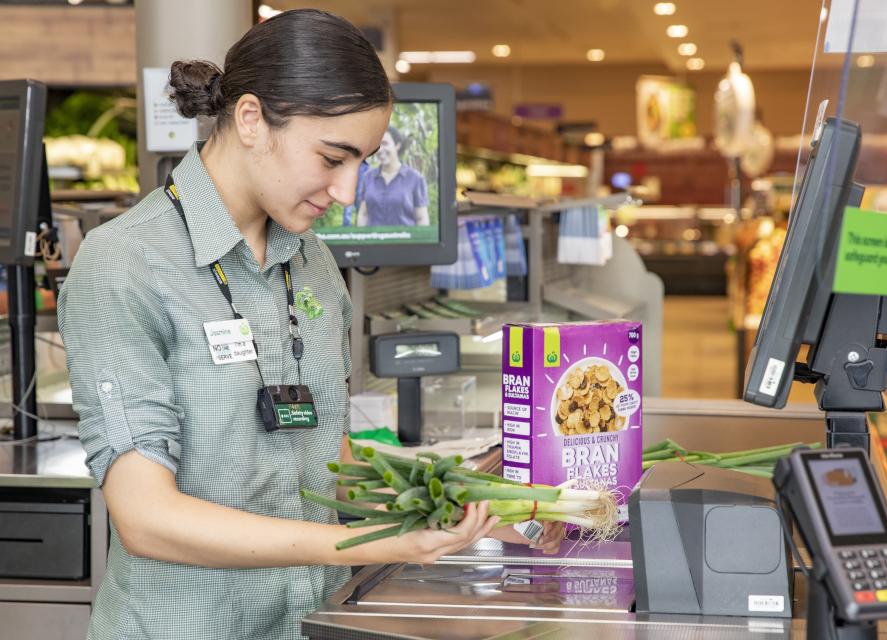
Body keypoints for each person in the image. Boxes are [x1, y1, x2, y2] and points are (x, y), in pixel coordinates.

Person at [57, 10, 562, 640]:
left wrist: (455, 508)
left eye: (363, 162)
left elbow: (332, 472)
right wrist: (376, 546)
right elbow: (145, 518)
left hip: (313, 624)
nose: (348, 192)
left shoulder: (314, 262)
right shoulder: (127, 262)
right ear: (249, 119)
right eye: (332, 157)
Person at [356, 125, 431, 227]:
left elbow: (421, 218)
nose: (380, 149)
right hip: (373, 242)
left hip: (405, 242)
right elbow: (363, 214)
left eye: (385, 144)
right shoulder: (367, 178)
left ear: (397, 145)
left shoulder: (415, 179)